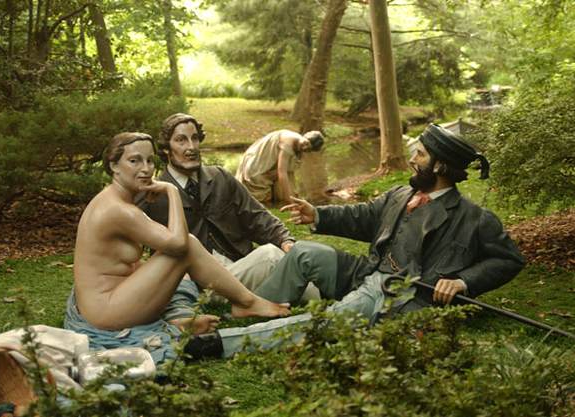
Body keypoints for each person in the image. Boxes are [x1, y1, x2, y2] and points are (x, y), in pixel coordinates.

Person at [185, 123, 526, 360]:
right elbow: (362, 216)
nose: (412, 159)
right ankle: (253, 308)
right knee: (303, 252)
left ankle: (220, 344)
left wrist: (463, 281)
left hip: (403, 296)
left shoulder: (474, 218)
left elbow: (509, 259)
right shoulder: (401, 194)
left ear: (440, 166)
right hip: (368, 273)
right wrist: (317, 215)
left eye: (420, 155)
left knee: (328, 322)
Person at [64, 132, 289, 363]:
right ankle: (247, 302)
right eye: (134, 161)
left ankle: (181, 318)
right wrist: (171, 191)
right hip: (107, 311)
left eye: (149, 160)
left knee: (182, 273)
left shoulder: (117, 200)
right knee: (187, 246)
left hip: (110, 298)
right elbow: (179, 243)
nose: (145, 169)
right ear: (114, 166)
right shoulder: (119, 210)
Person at [140, 114, 319, 335]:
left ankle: (318, 294)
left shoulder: (220, 177)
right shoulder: (153, 193)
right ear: (166, 148)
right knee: (272, 257)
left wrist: (285, 240)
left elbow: (257, 217)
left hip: (242, 266)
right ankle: (326, 299)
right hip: (201, 283)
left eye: (195, 138)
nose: (191, 147)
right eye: (181, 140)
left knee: (286, 256)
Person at [235, 129, 325, 204]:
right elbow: (282, 172)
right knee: (260, 196)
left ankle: (280, 199)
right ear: (304, 136)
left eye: (308, 149)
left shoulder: (298, 146)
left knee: (287, 183)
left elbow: (287, 171)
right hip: (257, 164)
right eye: (306, 143)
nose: (305, 148)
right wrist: (288, 200)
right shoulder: (288, 143)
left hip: (268, 166)